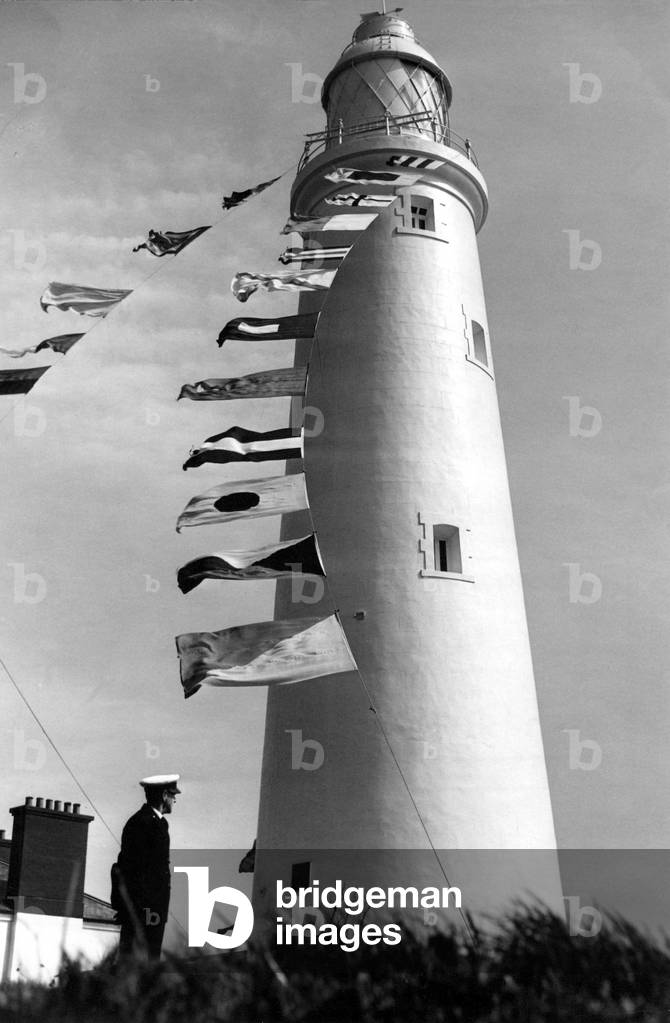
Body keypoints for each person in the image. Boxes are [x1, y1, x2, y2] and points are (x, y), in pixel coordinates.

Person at [111, 773, 181, 959]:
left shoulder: (155, 823)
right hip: (144, 910)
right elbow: (135, 869)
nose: (175, 800)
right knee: (140, 962)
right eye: (173, 795)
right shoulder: (143, 823)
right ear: (165, 795)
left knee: (147, 961)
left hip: (151, 909)